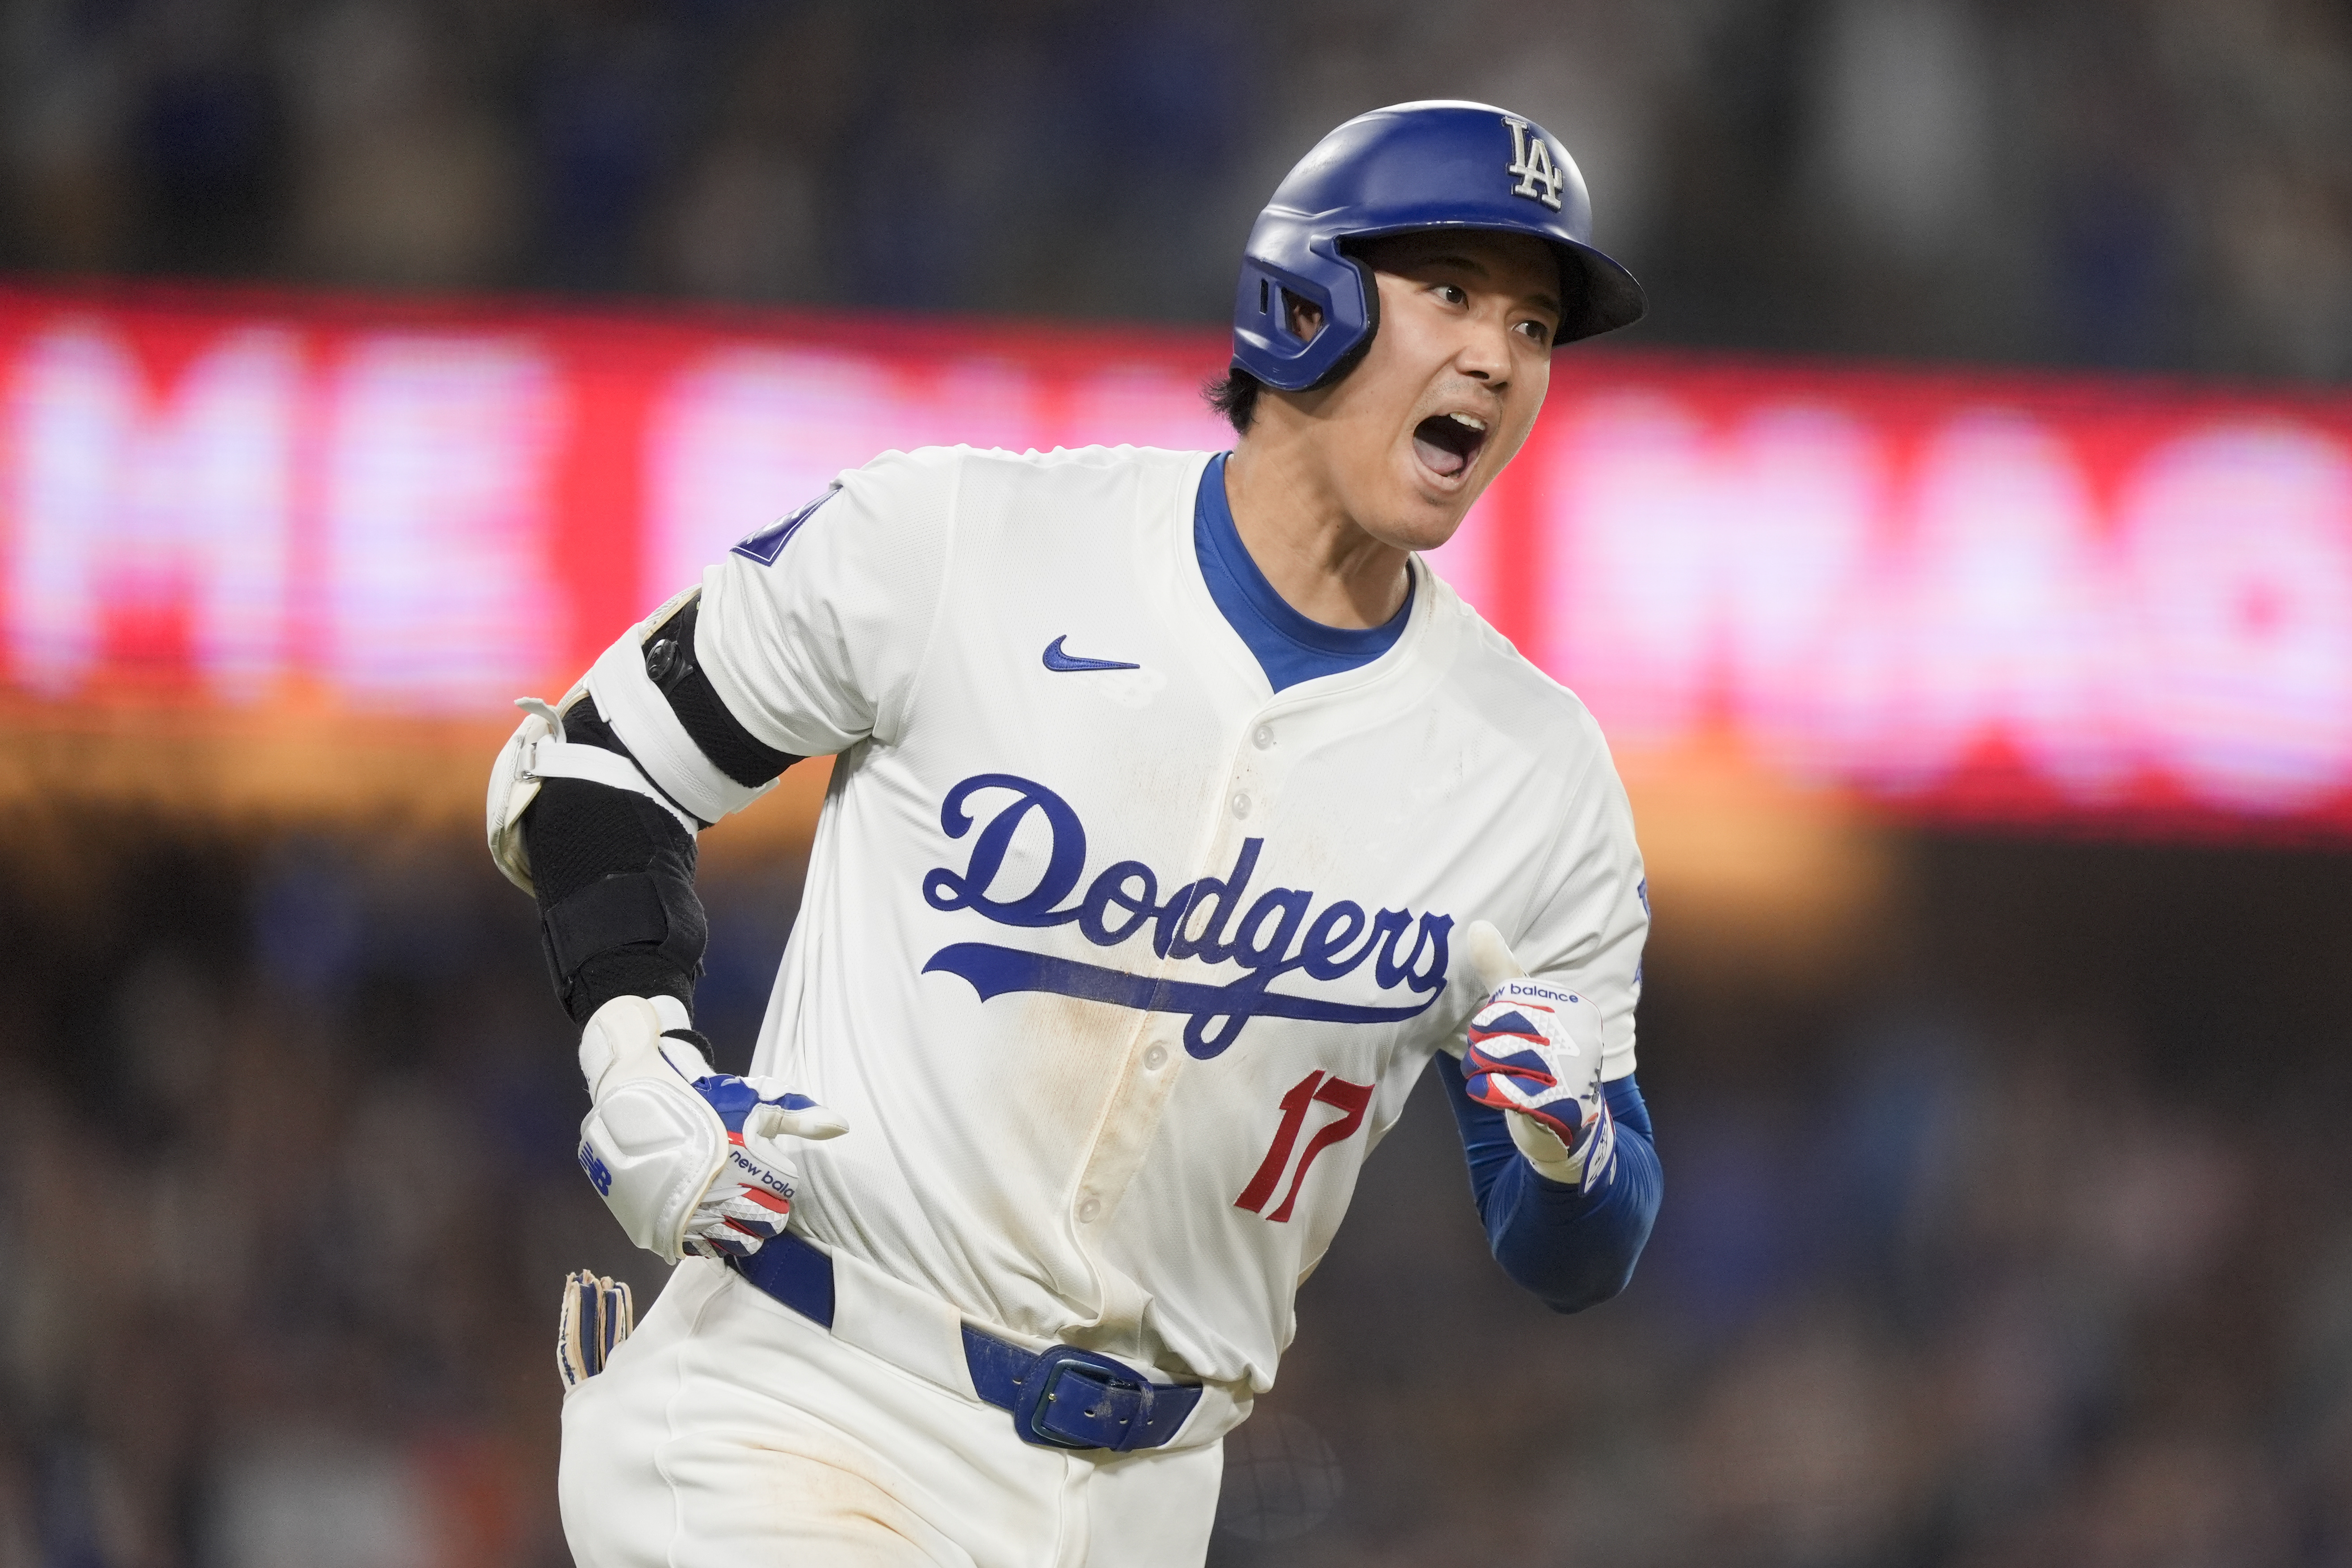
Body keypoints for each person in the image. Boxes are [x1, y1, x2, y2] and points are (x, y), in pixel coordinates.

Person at [488, 99, 1663, 1568]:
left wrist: (1575, 1148)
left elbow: (1576, 1257)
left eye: (1539, 327)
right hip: (804, 1405)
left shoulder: (1534, 771)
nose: (1498, 357)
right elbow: (599, 766)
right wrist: (635, 1052)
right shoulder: (968, 542)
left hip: (1150, 1497)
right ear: (1308, 299)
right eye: (1452, 294)